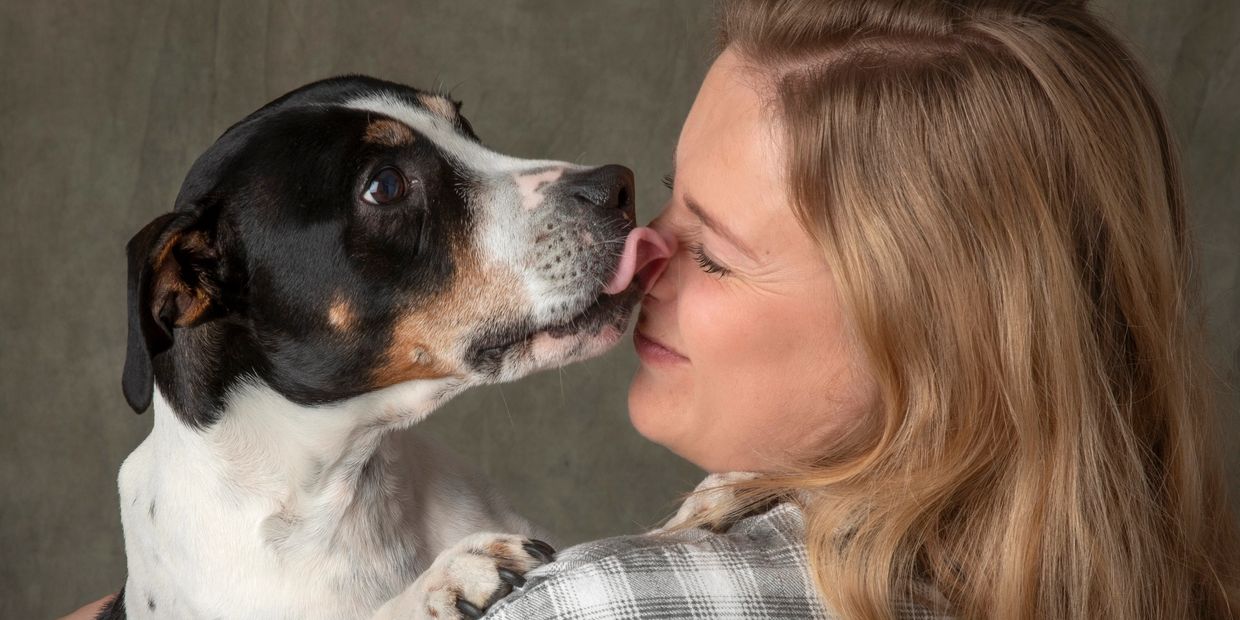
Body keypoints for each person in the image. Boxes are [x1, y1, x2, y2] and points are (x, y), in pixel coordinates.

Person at [65, 0, 1239, 618]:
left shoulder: (594, 605)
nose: (643, 243)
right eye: (675, 195)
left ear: (932, 335)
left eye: (715, 253)